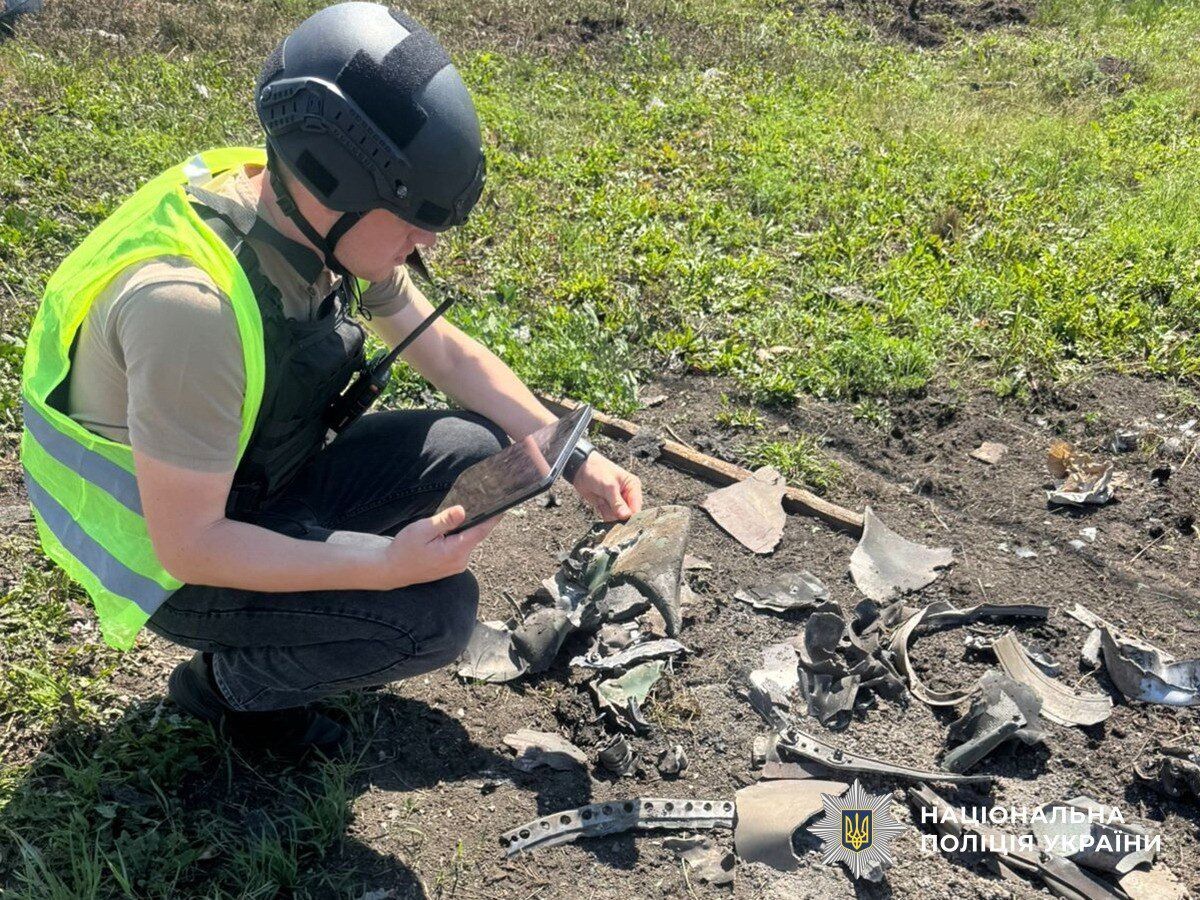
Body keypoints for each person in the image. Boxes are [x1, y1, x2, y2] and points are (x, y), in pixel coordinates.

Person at [18, 1, 642, 758]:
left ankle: (317, 600)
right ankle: (223, 692)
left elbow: (439, 347)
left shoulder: (293, 208)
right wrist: (384, 564)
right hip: (171, 558)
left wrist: (562, 446)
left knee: (478, 446)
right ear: (333, 178)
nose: (426, 241)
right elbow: (189, 544)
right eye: (412, 217)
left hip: (253, 478)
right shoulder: (192, 309)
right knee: (432, 617)